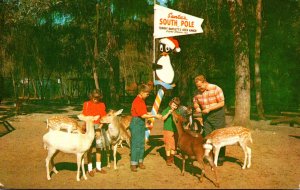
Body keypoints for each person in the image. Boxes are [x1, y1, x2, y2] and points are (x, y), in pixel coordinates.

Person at [193, 74, 226, 166]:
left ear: (205, 82)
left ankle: (220, 158)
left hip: (217, 114)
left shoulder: (216, 88)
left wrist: (210, 109)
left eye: (200, 86)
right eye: (197, 87)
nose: (199, 88)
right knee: (207, 137)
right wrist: (197, 108)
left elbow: (222, 103)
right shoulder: (197, 92)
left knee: (219, 136)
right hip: (206, 116)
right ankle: (208, 156)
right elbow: (195, 101)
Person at [129, 84, 162, 172]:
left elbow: (144, 112)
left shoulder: (142, 100)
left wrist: (153, 114)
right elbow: (143, 115)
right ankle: (133, 163)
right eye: (147, 94)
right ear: (142, 92)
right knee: (136, 144)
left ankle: (140, 161)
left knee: (141, 143)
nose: (148, 95)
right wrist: (155, 116)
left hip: (140, 123)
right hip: (136, 123)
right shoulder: (137, 101)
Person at [82, 89, 109, 176]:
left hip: (98, 127)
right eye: (94, 98)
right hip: (89, 128)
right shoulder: (86, 104)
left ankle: (98, 168)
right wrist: (85, 127)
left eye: (97, 98)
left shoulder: (102, 105)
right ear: (91, 96)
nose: (96, 100)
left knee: (98, 147)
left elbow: (103, 118)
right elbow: (85, 117)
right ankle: (90, 169)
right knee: (89, 149)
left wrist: (99, 128)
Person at [161, 97, 181, 166]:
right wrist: (168, 113)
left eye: (176, 106)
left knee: (174, 145)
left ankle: (172, 158)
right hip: (168, 130)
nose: (174, 107)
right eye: (173, 105)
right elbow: (162, 118)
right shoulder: (166, 110)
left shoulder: (177, 111)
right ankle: (168, 159)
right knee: (168, 145)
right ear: (170, 103)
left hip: (175, 130)